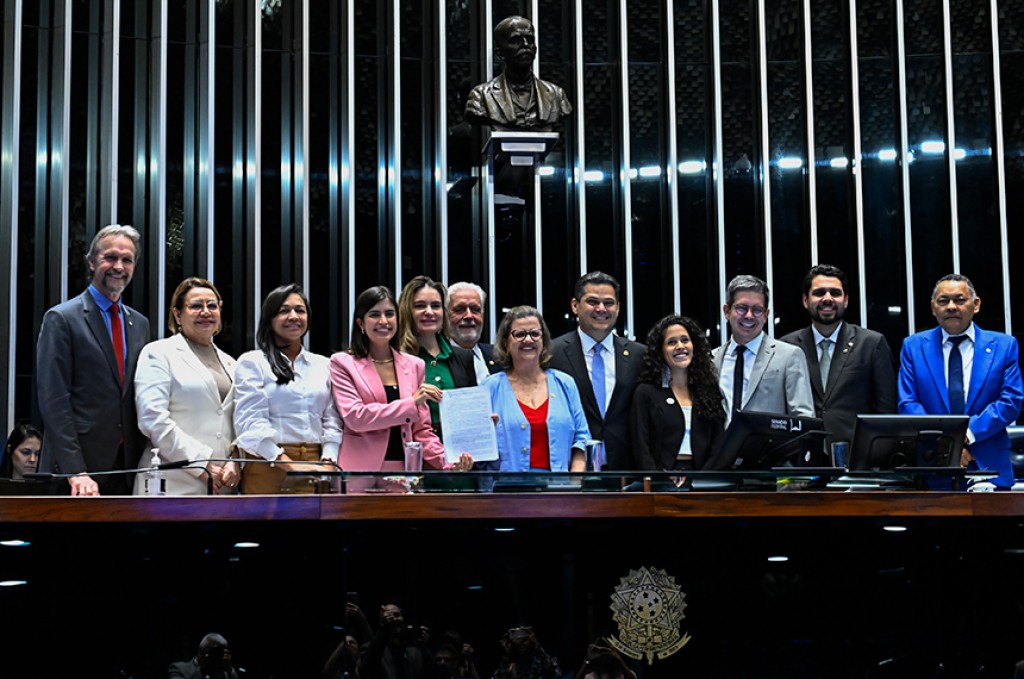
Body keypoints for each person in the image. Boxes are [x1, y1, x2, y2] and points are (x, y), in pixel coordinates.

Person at [36, 224, 151, 496]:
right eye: (110, 257)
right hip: (76, 473)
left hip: (126, 468)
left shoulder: (140, 324)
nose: (118, 266)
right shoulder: (62, 319)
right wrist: (75, 470)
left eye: (127, 260)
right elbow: (54, 400)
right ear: (91, 262)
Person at [330, 286, 471, 480]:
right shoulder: (342, 362)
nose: (383, 321)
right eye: (374, 315)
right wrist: (411, 403)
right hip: (359, 472)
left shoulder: (415, 365)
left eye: (389, 314)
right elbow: (356, 418)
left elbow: (421, 430)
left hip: (404, 472)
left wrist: (449, 462)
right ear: (361, 323)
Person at [898, 274, 1023, 489]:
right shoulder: (913, 346)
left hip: (989, 464)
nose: (951, 307)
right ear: (933, 307)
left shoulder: (1003, 345)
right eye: (943, 301)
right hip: (932, 465)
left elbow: (1010, 401)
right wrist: (947, 445)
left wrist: (967, 435)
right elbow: (908, 403)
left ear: (976, 304)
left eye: (959, 300)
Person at [233, 284, 343, 494]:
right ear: (269, 318)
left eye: (300, 310)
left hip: (316, 464)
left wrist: (329, 460)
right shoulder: (253, 362)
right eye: (284, 311)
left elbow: (332, 419)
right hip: (267, 464)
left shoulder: (324, 364)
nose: (294, 316)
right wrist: (289, 464)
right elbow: (249, 424)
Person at [134, 277, 239, 495]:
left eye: (212, 306)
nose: (206, 312)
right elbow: (152, 419)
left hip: (222, 485)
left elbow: (239, 421)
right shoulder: (158, 353)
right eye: (196, 306)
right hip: (171, 482)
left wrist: (236, 459)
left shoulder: (232, 363)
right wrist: (201, 464)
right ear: (177, 314)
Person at [779, 264, 897, 446]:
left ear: (846, 300)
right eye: (819, 293)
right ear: (805, 300)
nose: (827, 299)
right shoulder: (787, 346)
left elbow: (886, 411)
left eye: (835, 293)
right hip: (802, 453)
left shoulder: (871, 343)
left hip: (857, 455)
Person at [549, 272, 644, 470]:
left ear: (618, 307)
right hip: (570, 468)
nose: (601, 309)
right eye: (592, 302)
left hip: (627, 470)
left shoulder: (640, 356)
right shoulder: (552, 354)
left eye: (608, 303)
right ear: (575, 305)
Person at [483, 306, 589, 472]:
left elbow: (581, 439)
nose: (528, 340)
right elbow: (478, 448)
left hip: (559, 486)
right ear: (505, 343)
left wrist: (574, 480)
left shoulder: (565, 383)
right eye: (519, 334)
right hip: (504, 487)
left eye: (535, 334)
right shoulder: (489, 388)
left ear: (543, 341)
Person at [713, 274, 815, 425]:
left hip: (771, 441)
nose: (749, 316)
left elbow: (803, 419)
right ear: (727, 311)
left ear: (766, 315)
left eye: (757, 310)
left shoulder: (788, 356)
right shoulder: (712, 359)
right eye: (741, 308)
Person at [630, 315, 725, 471]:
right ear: (660, 350)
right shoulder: (646, 392)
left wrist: (704, 479)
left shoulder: (708, 390)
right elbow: (641, 446)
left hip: (703, 478)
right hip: (659, 479)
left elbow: (718, 444)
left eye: (685, 340)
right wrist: (659, 480)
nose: (680, 346)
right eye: (671, 342)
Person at [397, 275, 478, 437]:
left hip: (455, 448)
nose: (429, 312)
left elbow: (469, 411)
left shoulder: (464, 357)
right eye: (420, 306)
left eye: (435, 306)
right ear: (407, 311)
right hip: (410, 446)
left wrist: (482, 421)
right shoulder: (396, 357)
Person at [464, 16, 572, 131]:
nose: (525, 44)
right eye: (516, 40)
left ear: (535, 49)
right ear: (499, 53)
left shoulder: (557, 95)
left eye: (530, 40)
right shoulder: (481, 96)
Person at [361, 602, 434, 679]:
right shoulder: (369, 648)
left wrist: (425, 648)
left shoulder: (413, 652)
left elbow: (432, 673)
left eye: (397, 615)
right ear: (382, 623)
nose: (394, 619)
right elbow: (369, 667)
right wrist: (384, 630)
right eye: (388, 616)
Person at [448, 281, 501, 382]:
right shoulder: (435, 359)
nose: (469, 316)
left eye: (475, 309)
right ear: (446, 315)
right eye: (459, 309)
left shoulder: (499, 356)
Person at [492, 625, 561, 679]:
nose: (522, 645)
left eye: (524, 640)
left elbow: (552, 671)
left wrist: (537, 647)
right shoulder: (507, 663)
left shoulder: (539, 658)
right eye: (517, 641)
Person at [168, 633, 239, 679]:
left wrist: (228, 669)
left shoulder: (226, 673)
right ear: (201, 651)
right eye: (214, 652)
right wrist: (203, 669)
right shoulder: (178, 669)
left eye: (220, 653)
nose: (216, 655)